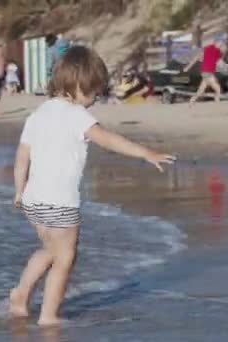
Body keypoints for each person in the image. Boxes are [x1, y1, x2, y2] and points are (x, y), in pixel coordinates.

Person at [10, 45, 175, 326]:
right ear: (77, 86)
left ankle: (20, 294)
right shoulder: (77, 115)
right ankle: (48, 316)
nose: (93, 99)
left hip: (33, 199)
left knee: (50, 250)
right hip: (60, 201)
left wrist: (18, 190)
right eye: (92, 93)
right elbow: (109, 140)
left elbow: (22, 156)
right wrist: (146, 153)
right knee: (65, 259)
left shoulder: (37, 114)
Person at [184, 38, 228, 106]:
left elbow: (219, 64)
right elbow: (197, 57)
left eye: (222, 45)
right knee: (218, 89)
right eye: (221, 44)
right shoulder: (209, 48)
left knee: (201, 91)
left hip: (209, 72)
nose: (222, 46)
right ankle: (218, 106)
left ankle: (192, 100)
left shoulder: (218, 52)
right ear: (216, 43)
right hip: (206, 72)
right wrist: (188, 67)